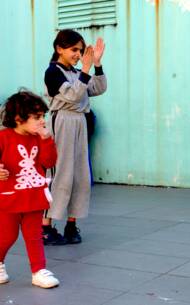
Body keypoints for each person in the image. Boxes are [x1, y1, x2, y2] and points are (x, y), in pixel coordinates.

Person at [42, 29, 107, 245]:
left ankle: (71, 224)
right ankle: (46, 227)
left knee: (80, 174)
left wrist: (96, 64)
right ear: (59, 49)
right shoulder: (53, 72)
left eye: (80, 50)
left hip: (80, 121)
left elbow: (98, 88)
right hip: (62, 122)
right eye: (74, 50)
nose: (78, 54)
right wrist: (86, 69)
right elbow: (72, 95)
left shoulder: (77, 72)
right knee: (61, 172)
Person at [0, 90, 59, 288]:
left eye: (43, 116)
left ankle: (38, 270)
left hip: (33, 196)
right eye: (37, 117)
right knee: (7, 235)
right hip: (8, 200)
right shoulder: (3, 137)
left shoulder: (39, 138)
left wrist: (46, 140)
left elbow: (49, 161)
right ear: (18, 119)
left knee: (34, 235)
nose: (42, 121)